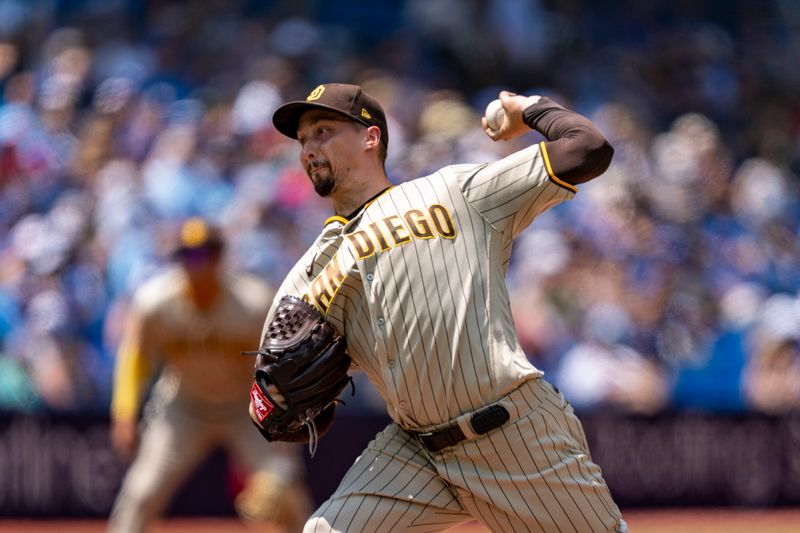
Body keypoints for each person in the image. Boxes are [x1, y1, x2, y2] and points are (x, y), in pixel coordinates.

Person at [254, 83, 627, 532]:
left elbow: (588, 148)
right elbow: (276, 400)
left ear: (371, 138)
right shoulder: (308, 273)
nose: (309, 148)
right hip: (414, 453)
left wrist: (527, 109)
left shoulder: (454, 192)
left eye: (324, 130)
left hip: (514, 435)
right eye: (303, 139)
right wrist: (277, 410)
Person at [108, 217, 311, 533]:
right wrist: (124, 412)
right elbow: (135, 358)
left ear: (218, 258)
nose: (194, 264)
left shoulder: (252, 304)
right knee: (141, 492)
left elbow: (280, 373)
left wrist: (283, 447)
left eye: (202, 254)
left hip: (246, 411)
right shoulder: (155, 303)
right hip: (183, 407)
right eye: (186, 255)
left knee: (284, 490)